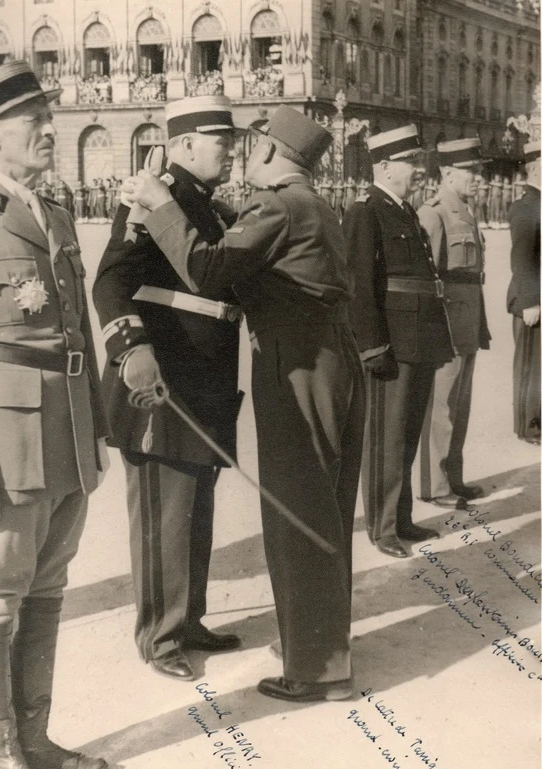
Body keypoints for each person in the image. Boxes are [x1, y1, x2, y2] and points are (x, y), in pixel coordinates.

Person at [122, 104, 366, 703]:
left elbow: (208, 270)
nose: (238, 156)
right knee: (325, 507)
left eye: (248, 147)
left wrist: (159, 201)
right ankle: (325, 647)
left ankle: (315, 670)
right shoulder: (309, 201)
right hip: (331, 360)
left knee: (296, 510)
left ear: (269, 154)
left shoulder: (277, 205)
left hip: (298, 365)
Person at [0, 62, 110, 769]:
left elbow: (76, 333)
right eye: (30, 121)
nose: (49, 129)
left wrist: (96, 433)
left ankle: (35, 741)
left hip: (67, 436)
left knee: (47, 588)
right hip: (5, 442)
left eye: (48, 116)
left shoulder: (54, 214)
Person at [92, 96, 242, 682]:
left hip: (204, 382)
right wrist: (131, 349)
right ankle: (160, 634)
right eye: (218, 140)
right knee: (164, 512)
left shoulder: (207, 206)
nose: (229, 149)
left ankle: (189, 618)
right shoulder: (151, 198)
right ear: (182, 146)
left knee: (196, 507)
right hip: (162, 383)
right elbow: (110, 283)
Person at [342, 125, 454, 559]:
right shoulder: (365, 210)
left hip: (420, 338)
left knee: (406, 436)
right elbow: (359, 286)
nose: (420, 172)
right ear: (385, 167)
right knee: (386, 439)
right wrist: (372, 346)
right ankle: (382, 527)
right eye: (412, 163)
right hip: (392, 342)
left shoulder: (404, 210)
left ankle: (402, 518)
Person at [416, 138, 491, 507]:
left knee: (460, 406)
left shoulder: (465, 210)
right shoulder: (434, 212)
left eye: (480, 170)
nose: (480, 177)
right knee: (441, 407)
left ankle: (454, 478)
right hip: (446, 324)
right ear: (447, 173)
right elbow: (426, 278)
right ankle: (435, 486)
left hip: (468, 321)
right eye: (471, 171)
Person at [507, 140, 541, 445]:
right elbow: (522, 258)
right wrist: (531, 301)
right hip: (532, 300)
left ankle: (540, 419)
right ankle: (527, 425)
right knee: (530, 365)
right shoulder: (526, 205)